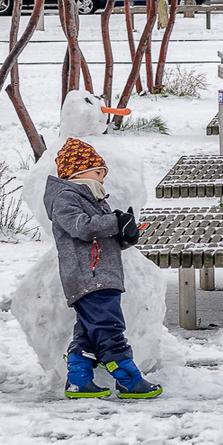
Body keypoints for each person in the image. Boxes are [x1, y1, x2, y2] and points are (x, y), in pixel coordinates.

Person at [43, 137, 162, 399]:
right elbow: (82, 227)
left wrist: (125, 236)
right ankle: (129, 381)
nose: (103, 179)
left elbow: (99, 239)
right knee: (109, 329)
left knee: (87, 333)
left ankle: (79, 381)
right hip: (89, 276)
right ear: (79, 171)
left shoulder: (94, 199)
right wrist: (114, 221)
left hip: (98, 274)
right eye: (99, 172)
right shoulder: (65, 197)